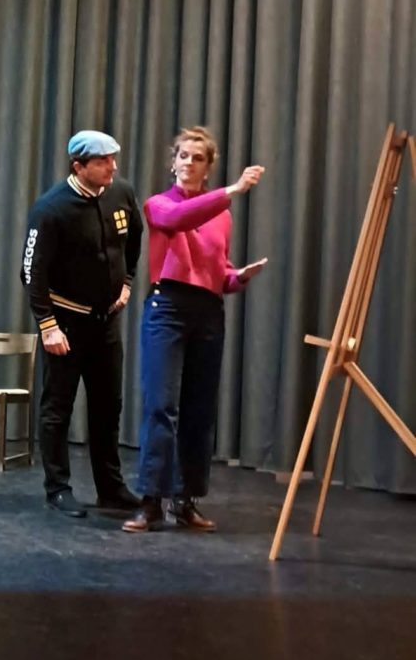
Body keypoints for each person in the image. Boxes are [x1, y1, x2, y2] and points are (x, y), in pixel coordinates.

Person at [124, 127, 266, 533]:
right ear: (173, 163)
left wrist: (239, 276)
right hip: (167, 307)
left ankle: (185, 501)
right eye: (183, 156)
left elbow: (219, 272)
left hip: (207, 312)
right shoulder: (159, 204)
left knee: (199, 411)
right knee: (161, 406)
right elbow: (179, 218)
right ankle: (151, 501)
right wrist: (233, 189)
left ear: (208, 167)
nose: (188, 163)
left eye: (197, 158)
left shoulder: (221, 215)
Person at [21, 130, 144, 518]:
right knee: (58, 408)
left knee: (109, 406)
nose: (113, 167)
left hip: (106, 322)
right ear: (79, 167)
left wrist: (127, 282)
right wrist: (48, 325)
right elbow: (31, 272)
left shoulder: (121, 193)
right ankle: (57, 488)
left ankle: (111, 488)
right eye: (103, 161)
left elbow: (134, 240)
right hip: (66, 323)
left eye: (113, 159)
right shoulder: (51, 208)